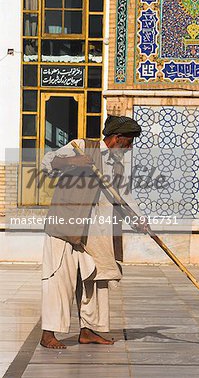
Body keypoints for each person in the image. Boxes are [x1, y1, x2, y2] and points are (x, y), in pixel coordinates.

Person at [40, 115, 148, 349]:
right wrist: (74, 162)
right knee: (59, 279)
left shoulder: (118, 164)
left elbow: (124, 197)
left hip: (97, 231)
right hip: (66, 227)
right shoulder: (81, 146)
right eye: (128, 142)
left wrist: (138, 220)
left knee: (96, 280)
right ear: (116, 138)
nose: (129, 148)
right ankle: (48, 334)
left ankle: (88, 331)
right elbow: (47, 163)